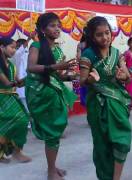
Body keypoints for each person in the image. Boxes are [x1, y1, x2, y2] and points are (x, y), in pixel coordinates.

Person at [26, 13, 78, 180]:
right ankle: (50, 172)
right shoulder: (36, 45)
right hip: (41, 93)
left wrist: (74, 77)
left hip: (54, 92)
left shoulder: (57, 49)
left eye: (58, 25)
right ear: (42, 29)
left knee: (55, 133)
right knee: (52, 133)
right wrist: (58, 65)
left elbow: (58, 76)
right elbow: (31, 68)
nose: (57, 28)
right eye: (52, 25)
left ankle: (52, 167)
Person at [79, 16, 132, 180]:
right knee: (102, 146)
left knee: (122, 141)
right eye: (99, 35)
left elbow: (127, 76)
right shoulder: (88, 54)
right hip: (98, 105)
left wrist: (123, 76)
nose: (105, 38)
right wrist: (90, 79)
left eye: (107, 33)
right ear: (92, 37)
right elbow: (82, 81)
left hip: (116, 102)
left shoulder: (116, 53)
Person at [0, 38, 31, 163]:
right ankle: (16, 152)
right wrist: (18, 82)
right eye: (12, 47)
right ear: (2, 47)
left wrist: (28, 79)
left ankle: (15, 151)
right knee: (19, 121)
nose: (14, 50)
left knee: (21, 121)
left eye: (15, 48)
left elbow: (17, 82)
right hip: (2, 98)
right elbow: (7, 83)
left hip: (11, 97)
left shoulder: (12, 65)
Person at [11, 36, 33, 111]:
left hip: (30, 85)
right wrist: (29, 39)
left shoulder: (29, 53)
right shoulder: (16, 54)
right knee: (26, 108)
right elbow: (19, 51)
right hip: (22, 87)